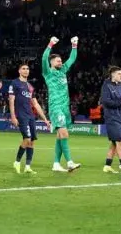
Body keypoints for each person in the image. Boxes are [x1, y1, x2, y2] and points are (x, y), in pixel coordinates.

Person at [43, 35, 82, 173]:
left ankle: (56, 164)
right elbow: (43, 58)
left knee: (60, 136)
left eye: (61, 61)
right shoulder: (47, 72)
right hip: (56, 107)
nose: (61, 62)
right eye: (58, 61)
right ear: (52, 62)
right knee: (64, 134)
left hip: (65, 107)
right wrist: (50, 44)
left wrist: (74, 45)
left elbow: (72, 59)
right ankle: (70, 162)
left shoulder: (63, 70)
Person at [9, 62, 50, 175]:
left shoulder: (30, 87)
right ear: (19, 71)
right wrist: (13, 116)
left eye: (27, 69)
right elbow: (11, 100)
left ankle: (27, 166)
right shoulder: (15, 83)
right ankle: (17, 162)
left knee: (32, 142)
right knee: (26, 139)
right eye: (23, 68)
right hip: (21, 116)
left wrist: (45, 119)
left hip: (31, 116)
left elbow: (35, 104)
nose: (26, 70)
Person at [100, 66, 121, 174]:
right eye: (119, 74)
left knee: (114, 143)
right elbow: (106, 102)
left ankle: (107, 165)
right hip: (112, 117)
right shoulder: (106, 85)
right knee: (119, 141)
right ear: (113, 75)